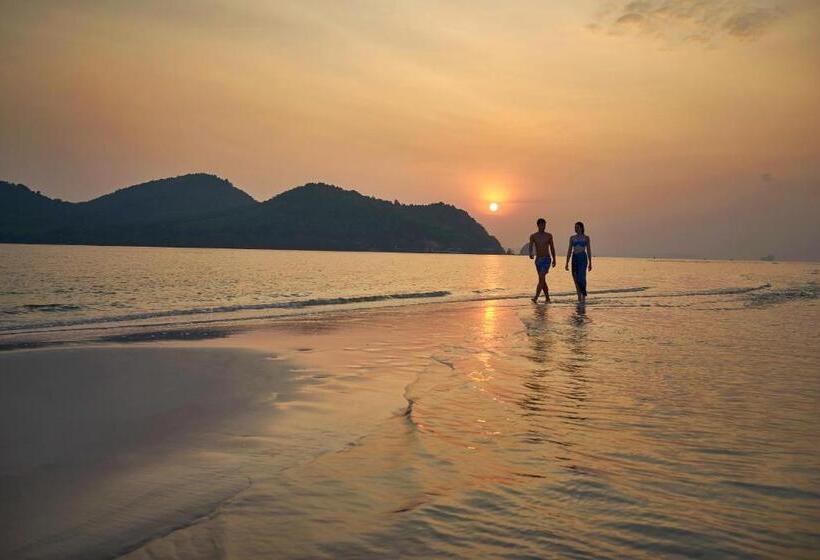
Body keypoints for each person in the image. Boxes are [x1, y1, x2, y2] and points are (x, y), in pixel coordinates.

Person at [528, 218, 556, 303]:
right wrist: (530, 253)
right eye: (542, 225)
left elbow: (552, 248)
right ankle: (547, 298)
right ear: (538, 225)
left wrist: (554, 259)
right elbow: (530, 246)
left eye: (544, 225)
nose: (543, 226)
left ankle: (536, 297)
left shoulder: (549, 236)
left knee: (541, 277)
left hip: (546, 259)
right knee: (542, 279)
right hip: (538, 260)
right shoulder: (533, 236)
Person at [565, 221, 592, 303]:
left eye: (577, 227)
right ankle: (579, 296)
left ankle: (583, 295)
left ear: (581, 228)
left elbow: (589, 250)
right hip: (574, 258)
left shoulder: (586, 237)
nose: (575, 228)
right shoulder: (572, 238)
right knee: (575, 277)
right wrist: (567, 262)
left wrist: (590, 262)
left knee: (581, 277)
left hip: (582, 258)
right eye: (575, 227)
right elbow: (569, 250)